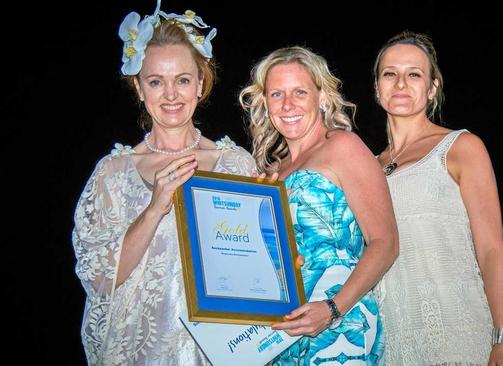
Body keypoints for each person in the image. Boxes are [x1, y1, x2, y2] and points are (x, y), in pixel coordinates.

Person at [71, 2, 257, 365]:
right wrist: (155, 207)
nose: (171, 95)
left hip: (220, 354)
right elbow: (99, 279)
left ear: (200, 84)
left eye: (182, 80)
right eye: (156, 81)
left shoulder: (236, 164)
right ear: (139, 88)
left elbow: (255, 270)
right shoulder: (113, 173)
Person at [240, 46, 399, 365]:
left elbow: (386, 244)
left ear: (322, 97)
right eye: (276, 94)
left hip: (338, 329)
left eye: (299, 92)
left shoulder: (343, 147)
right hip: (280, 335)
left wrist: (332, 309)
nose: (287, 105)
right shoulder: (270, 172)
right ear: (265, 103)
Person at [372, 31, 503, 365]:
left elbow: (491, 249)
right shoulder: (367, 168)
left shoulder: (461, 148)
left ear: (432, 88)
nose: (400, 83)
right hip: (390, 345)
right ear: (377, 87)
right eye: (390, 74)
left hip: (458, 337)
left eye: (414, 74)